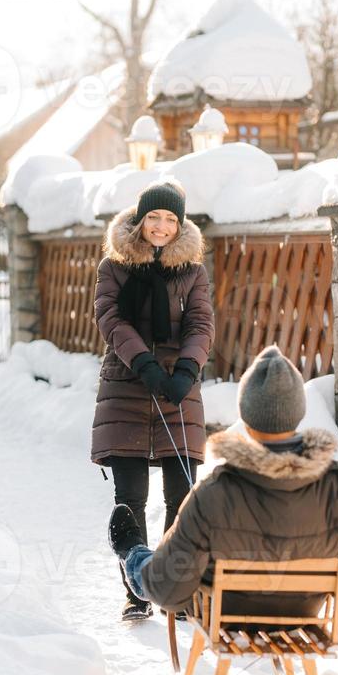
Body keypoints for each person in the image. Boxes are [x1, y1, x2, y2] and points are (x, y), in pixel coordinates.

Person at [108, 345, 338, 619]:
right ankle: (136, 553)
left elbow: (168, 592)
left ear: (247, 416)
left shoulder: (214, 493)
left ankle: (133, 552)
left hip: (225, 620)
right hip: (302, 613)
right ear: (298, 414)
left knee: (155, 570)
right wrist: (327, 581)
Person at [91, 179, 215, 622]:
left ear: (180, 226)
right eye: (153, 218)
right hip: (127, 382)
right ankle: (138, 589)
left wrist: (186, 370)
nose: (160, 227)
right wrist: (143, 363)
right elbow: (111, 317)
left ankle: (175, 587)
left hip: (179, 389)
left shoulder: (193, 272)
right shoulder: (114, 266)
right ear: (140, 220)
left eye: (170, 219)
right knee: (131, 497)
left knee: (180, 497)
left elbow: (200, 324)